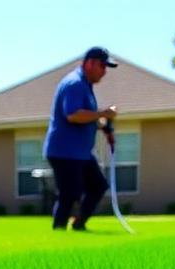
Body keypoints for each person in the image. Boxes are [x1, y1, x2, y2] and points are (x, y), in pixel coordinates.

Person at [43, 47, 118, 231]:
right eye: (102, 66)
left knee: (97, 186)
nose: (104, 72)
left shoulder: (85, 86)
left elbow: (88, 117)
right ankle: (59, 229)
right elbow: (73, 115)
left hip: (80, 153)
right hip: (64, 151)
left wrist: (103, 127)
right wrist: (104, 113)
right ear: (90, 63)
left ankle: (78, 224)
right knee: (70, 194)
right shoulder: (75, 84)